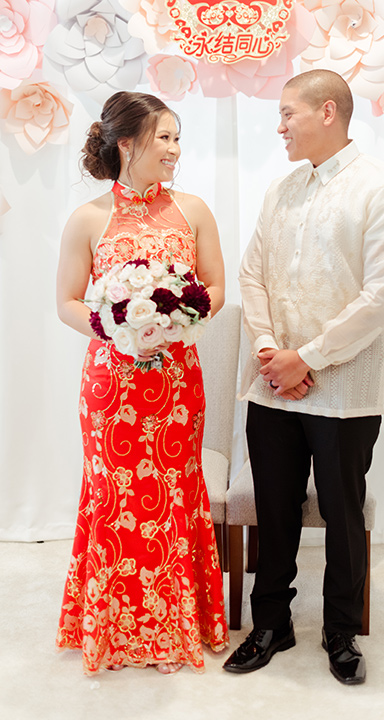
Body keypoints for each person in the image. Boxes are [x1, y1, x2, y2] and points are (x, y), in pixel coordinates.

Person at [223, 70, 384, 684]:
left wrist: (305, 357)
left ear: (327, 111)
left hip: (344, 390)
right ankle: (271, 624)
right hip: (273, 384)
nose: (278, 126)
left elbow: (380, 297)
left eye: (287, 113)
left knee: (342, 512)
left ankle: (339, 630)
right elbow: (252, 275)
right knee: (276, 511)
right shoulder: (281, 190)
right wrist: (266, 346)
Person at [55, 91, 229, 675]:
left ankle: (178, 621)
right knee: (114, 498)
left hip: (177, 383)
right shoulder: (87, 219)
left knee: (175, 494)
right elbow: (66, 303)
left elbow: (216, 291)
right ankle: (116, 626)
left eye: (178, 138)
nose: (176, 150)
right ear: (126, 144)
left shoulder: (194, 211)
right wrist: (115, 326)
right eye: (166, 138)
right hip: (112, 386)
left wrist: (179, 320)